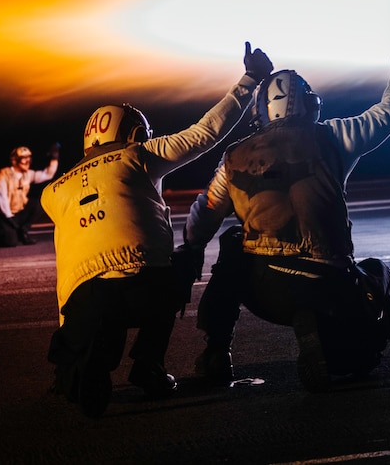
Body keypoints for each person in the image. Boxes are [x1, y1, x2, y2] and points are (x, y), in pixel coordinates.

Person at [175, 2, 390, 393]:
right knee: (380, 284)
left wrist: (187, 253)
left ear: (260, 112)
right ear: (311, 105)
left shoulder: (235, 156)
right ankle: (331, 337)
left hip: (265, 286)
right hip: (328, 282)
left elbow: (202, 216)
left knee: (232, 245)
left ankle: (215, 351)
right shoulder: (335, 137)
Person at [41, 42, 273, 419]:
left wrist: (68, 340)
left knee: (94, 300)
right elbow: (206, 133)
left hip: (82, 301)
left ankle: (79, 368)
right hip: (142, 287)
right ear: (132, 133)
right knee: (176, 268)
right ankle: (147, 364)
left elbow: (67, 266)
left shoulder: (56, 191)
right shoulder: (138, 156)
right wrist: (251, 79)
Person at [0, 144, 60, 247]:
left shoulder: (28, 174)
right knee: (10, 242)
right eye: (23, 159)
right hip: (3, 215)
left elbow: (47, 174)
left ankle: (23, 231)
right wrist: (11, 221)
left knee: (38, 203)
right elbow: (2, 199)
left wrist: (54, 159)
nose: (27, 161)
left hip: (18, 213)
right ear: (15, 160)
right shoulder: (2, 175)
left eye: (29, 158)